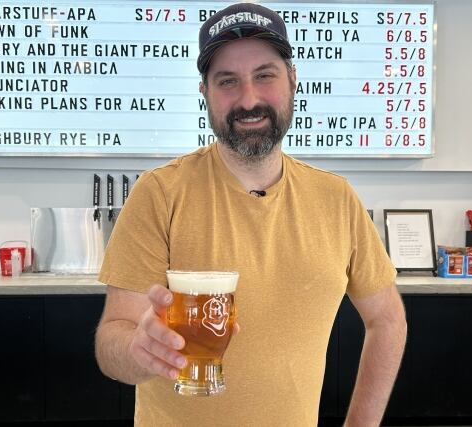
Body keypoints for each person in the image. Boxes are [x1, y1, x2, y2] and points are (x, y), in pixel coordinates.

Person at [95, 3, 407, 426]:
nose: (249, 98)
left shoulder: (337, 199)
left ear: (293, 79)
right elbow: (113, 339)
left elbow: (386, 318)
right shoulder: (160, 193)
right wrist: (137, 351)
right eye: (228, 81)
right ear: (204, 92)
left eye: (265, 75)